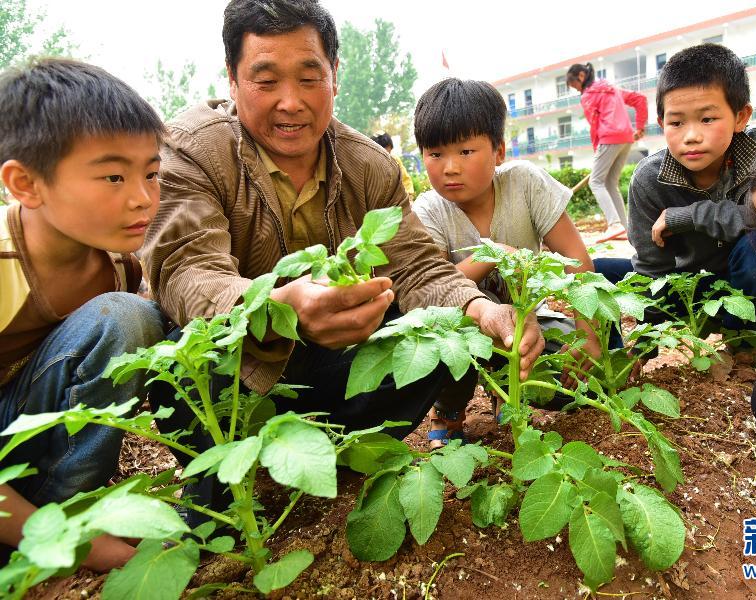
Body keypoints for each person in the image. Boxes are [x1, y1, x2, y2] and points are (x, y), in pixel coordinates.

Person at [142, 0, 544, 471]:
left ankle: (338, 456)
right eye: (266, 80)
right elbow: (189, 271)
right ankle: (235, 472)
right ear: (232, 78)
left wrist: (480, 308)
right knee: (178, 366)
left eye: (309, 78)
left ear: (334, 73)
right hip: (239, 371)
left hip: (336, 361)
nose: (290, 102)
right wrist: (278, 310)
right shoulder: (191, 150)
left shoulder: (368, 164)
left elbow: (415, 263)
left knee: (438, 336)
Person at [0, 59, 167, 570]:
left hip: (23, 452)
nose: (143, 198)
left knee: (143, 315)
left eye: (152, 173)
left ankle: (68, 508)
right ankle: (56, 529)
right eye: (113, 176)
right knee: (123, 317)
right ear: (26, 184)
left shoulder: (120, 266)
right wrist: (71, 543)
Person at [411, 78, 597, 446]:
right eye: (435, 154)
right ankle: (448, 409)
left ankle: (508, 394)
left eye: (465, 152)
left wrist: (587, 335)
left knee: (584, 380)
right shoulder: (428, 211)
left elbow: (578, 264)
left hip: (529, 322)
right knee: (441, 346)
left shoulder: (525, 184)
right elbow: (431, 290)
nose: (450, 167)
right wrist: (492, 253)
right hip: (463, 328)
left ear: (499, 151)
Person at [598, 43, 756, 341]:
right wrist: (648, 338)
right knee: (596, 272)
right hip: (689, 289)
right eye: (676, 122)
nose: (691, 136)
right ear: (662, 124)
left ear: (741, 117)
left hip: (747, 284)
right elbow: (652, 266)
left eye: (707, 119)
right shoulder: (650, 178)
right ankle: (613, 354)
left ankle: (743, 339)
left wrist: (688, 216)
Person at [566, 62, 647, 242]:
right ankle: (626, 230)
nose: (576, 90)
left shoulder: (588, 95)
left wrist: (598, 152)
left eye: (574, 86)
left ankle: (614, 225)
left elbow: (594, 125)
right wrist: (640, 127)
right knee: (610, 183)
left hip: (609, 137)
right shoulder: (611, 88)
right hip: (626, 138)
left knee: (595, 181)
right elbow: (639, 99)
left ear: (580, 77)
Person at [371, 132, 415, 198]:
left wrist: (409, 197)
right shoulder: (368, 164)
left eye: (389, 153)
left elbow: (405, 181)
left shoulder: (395, 160)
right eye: (383, 154)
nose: (387, 157)